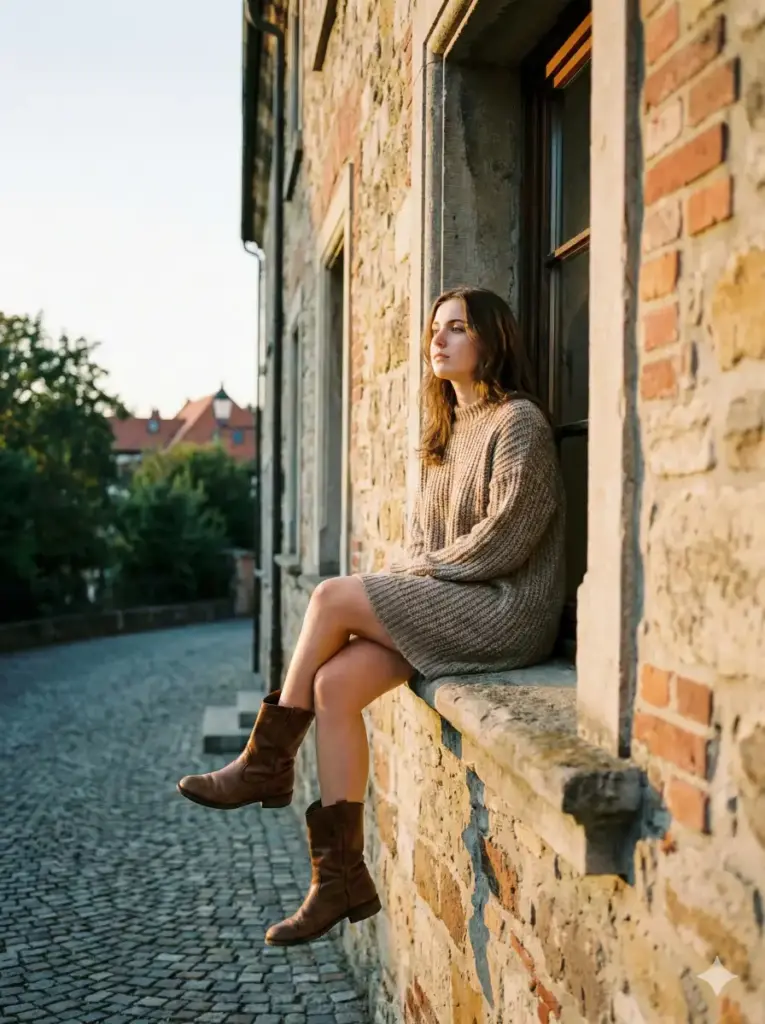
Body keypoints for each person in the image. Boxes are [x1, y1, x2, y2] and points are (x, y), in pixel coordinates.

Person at [176, 286, 566, 947]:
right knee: (333, 687)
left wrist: (409, 579)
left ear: (492, 341)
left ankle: (266, 762)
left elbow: (509, 538)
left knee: (331, 597)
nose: (438, 341)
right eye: (434, 330)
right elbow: (420, 547)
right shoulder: (441, 436)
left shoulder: (517, 422)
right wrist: (414, 576)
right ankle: (339, 880)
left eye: (457, 329)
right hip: (452, 605)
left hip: (506, 611)